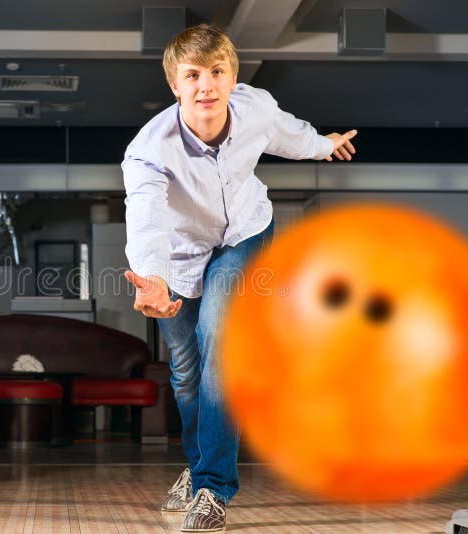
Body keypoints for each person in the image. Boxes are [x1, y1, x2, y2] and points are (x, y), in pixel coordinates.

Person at [122, 24, 357, 532]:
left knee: (219, 344)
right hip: (179, 258)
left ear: (232, 79)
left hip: (244, 235)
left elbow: (290, 133)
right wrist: (154, 282)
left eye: (216, 72)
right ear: (174, 85)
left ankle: (212, 487)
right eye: (193, 75)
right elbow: (146, 220)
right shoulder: (148, 151)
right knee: (186, 372)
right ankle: (196, 465)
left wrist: (324, 145)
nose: (205, 85)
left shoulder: (255, 107)